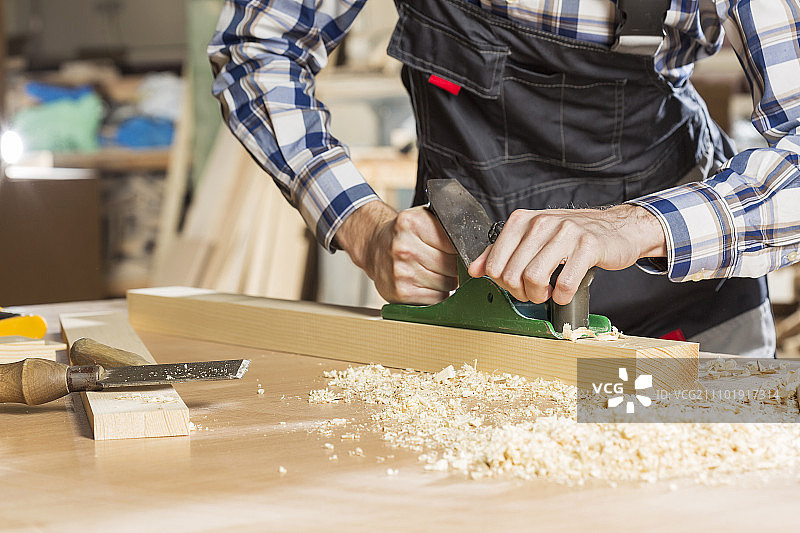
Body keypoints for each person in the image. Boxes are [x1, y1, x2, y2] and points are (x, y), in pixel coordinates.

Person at [208, 0, 800, 358]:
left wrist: (636, 226)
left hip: (682, 315)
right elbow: (257, 47)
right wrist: (360, 223)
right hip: (469, 319)